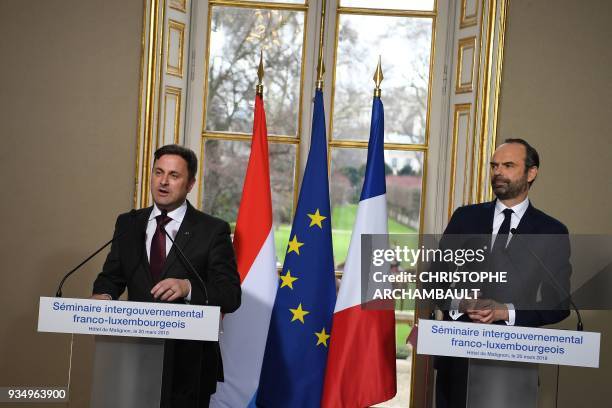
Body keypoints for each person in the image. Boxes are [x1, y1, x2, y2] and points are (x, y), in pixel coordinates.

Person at [91, 144, 241, 408]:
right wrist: (103, 294)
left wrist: (188, 287)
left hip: (188, 366)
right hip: (133, 356)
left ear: (190, 183)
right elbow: (112, 277)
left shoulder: (212, 230)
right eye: (158, 172)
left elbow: (230, 295)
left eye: (174, 175)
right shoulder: (128, 223)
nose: (163, 181)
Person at [433, 138, 571, 408]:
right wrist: (461, 302)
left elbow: (559, 304)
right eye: (494, 165)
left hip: (514, 365)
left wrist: (504, 311)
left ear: (531, 173)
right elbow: (432, 283)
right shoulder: (465, 218)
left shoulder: (551, 231)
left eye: (508, 165)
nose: (498, 172)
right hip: (458, 360)